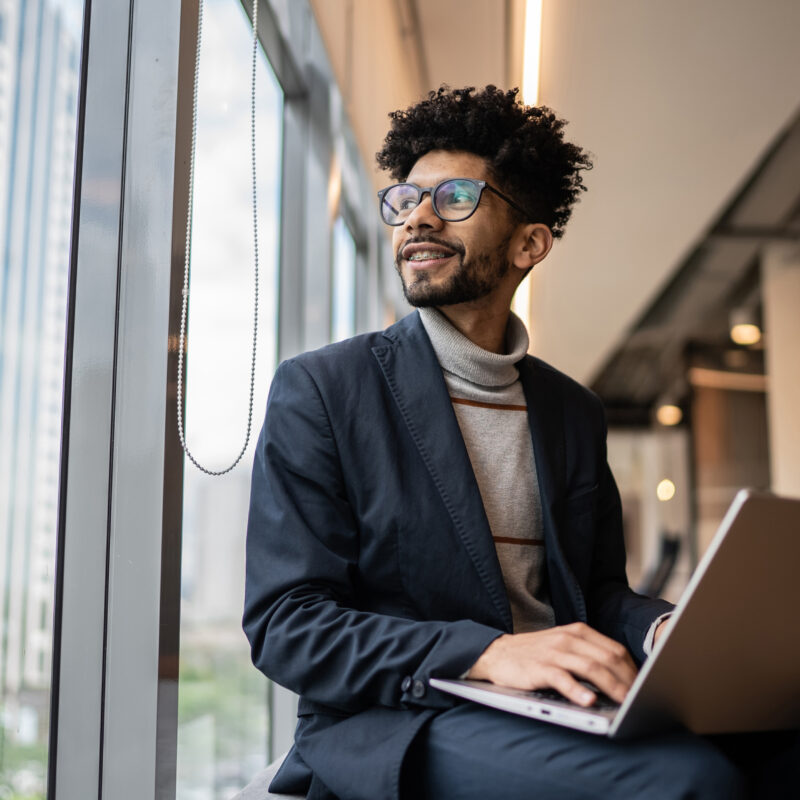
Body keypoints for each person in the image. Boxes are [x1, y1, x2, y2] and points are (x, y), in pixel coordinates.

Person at [243, 86, 785, 799]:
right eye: (407, 200)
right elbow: (288, 624)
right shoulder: (323, 389)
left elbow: (594, 593)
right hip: (402, 718)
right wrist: (490, 652)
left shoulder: (572, 411)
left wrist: (662, 634)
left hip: (551, 704)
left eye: (456, 196)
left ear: (530, 243)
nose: (420, 217)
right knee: (687, 783)